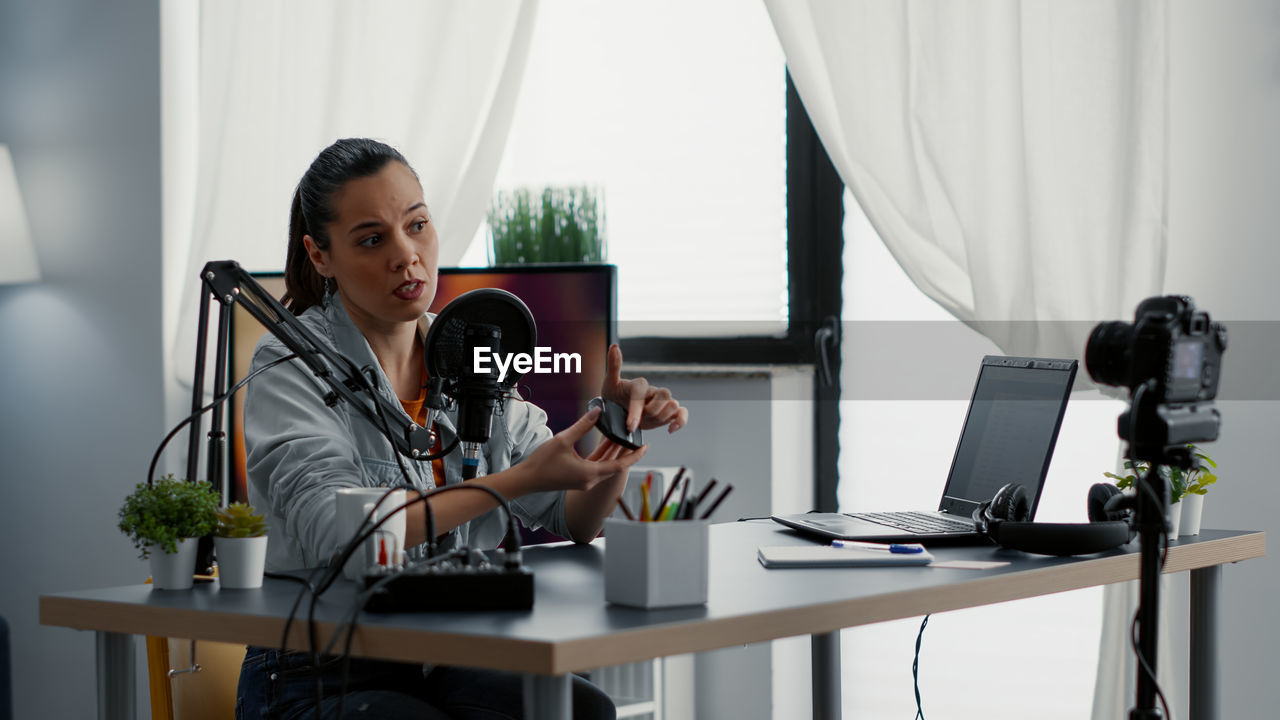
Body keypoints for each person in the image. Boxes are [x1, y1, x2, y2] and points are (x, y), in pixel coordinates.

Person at [235, 137, 688, 720]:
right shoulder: (289, 362)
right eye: (373, 240)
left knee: (583, 709)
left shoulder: (473, 346)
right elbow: (341, 535)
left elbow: (572, 519)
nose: (407, 256)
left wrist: (616, 436)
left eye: (417, 225)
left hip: (444, 656)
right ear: (319, 256)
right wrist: (512, 482)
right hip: (315, 671)